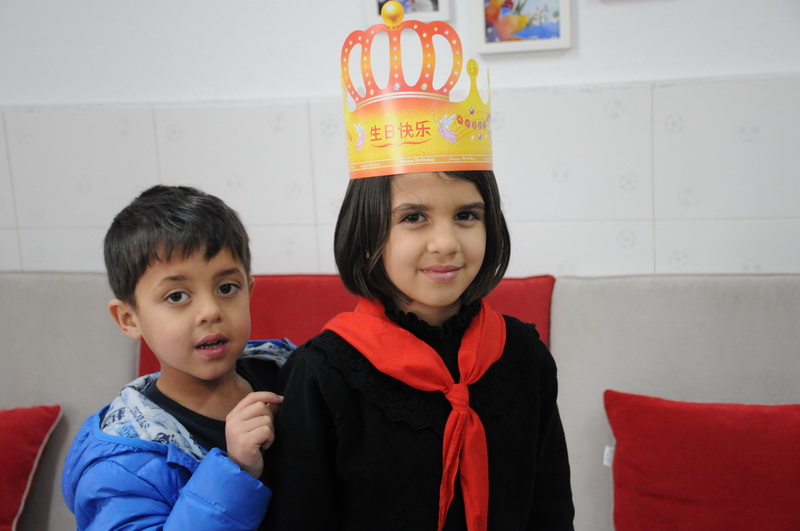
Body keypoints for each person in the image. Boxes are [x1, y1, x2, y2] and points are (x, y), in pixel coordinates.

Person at [264, 3, 574, 529]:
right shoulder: (322, 375)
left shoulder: (524, 357)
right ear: (367, 233)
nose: (445, 243)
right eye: (413, 217)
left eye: (467, 215)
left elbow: (551, 510)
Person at [62, 185, 292, 530]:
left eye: (227, 288)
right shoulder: (123, 460)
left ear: (249, 290)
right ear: (129, 319)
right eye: (177, 296)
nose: (210, 311)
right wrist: (236, 471)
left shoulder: (286, 369)